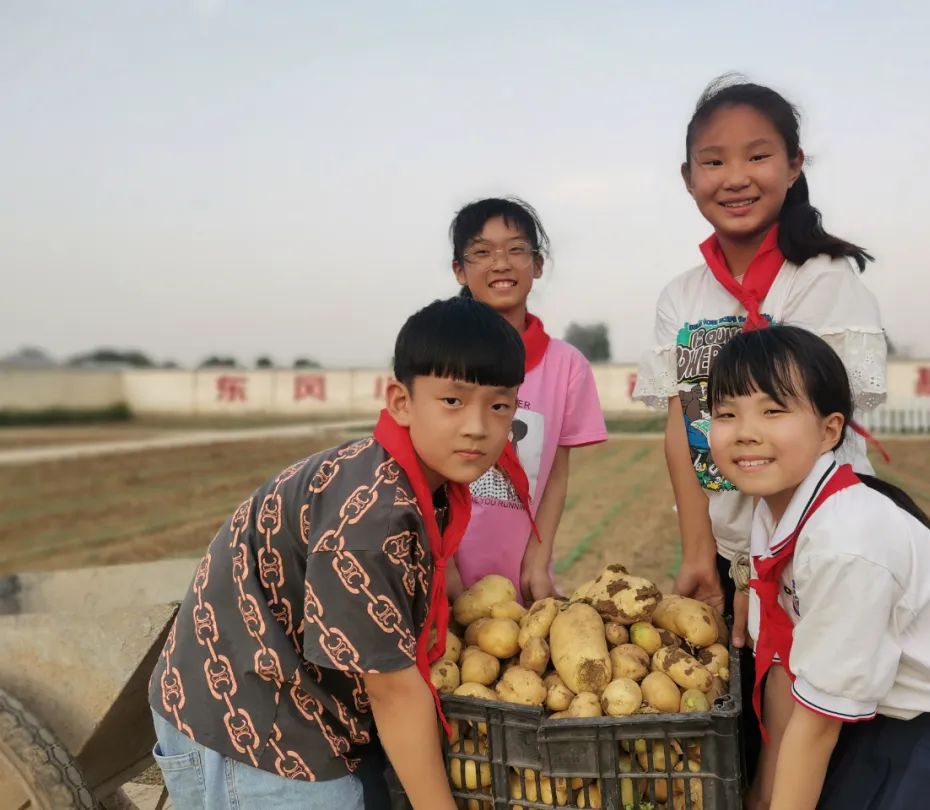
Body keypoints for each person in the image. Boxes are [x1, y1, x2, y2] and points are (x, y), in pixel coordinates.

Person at [148, 297, 531, 810]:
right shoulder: (372, 521)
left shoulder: (422, 481)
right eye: (453, 401)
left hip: (308, 700)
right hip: (248, 722)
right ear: (400, 401)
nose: (478, 427)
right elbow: (392, 693)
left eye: (499, 405)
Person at [706, 324, 930, 810]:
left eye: (773, 410)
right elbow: (784, 675)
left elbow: (816, 728)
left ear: (829, 430)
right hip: (904, 730)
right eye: (726, 413)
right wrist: (759, 796)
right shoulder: (772, 518)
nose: (746, 432)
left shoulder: (847, 541)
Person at [632, 75, 887, 782]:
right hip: (730, 545)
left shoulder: (825, 280)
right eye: (714, 161)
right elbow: (682, 424)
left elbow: (826, 436)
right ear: (688, 178)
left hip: (817, 539)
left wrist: (768, 564)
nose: (735, 177)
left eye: (757, 156)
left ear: (794, 165)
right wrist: (699, 554)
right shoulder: (681, 296)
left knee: (813, 720)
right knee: (741, 730)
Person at [449, 197, 607, 604]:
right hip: (438, 571)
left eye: (516, 249)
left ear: (537, 265)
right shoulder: (440, 356)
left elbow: (555, 472)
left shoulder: (566, 366)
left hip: (519, 579)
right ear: (459, 270)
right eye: (482, 252)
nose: (501, 263)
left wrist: (538, 561)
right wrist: (440, 565)